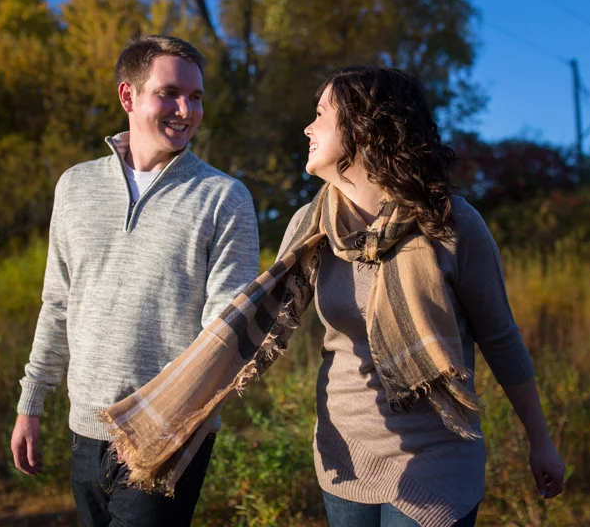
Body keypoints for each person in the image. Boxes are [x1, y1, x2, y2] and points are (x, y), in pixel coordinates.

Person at [101, 65, 565, 527]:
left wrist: (539, 440)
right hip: (343, 454)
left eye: (321, 114)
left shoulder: (452, 224)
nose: (308, 127)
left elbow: (501, 339)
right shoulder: (312, 224)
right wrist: (164, 414)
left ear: (365, 127)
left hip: (437, 455)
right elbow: (246, 327)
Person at [9, 35, 260, 527]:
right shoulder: (75, 185)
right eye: (170, 93)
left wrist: (165, 422)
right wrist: (31, 402)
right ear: (128, 96)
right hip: (85, 429)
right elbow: (58, 304)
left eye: (196, 97)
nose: (186, 110)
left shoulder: (224, 198)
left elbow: (223, 334)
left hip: (168, 435)